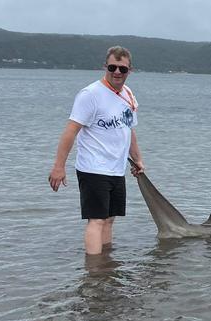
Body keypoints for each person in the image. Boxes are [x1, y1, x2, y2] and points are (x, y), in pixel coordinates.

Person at [48, 46, 144, 255]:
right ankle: (93, 272)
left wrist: (138, 160)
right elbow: (70, 132)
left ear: (130, 70)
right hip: (93, 168)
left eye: (122, 69)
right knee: (96, 220)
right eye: (113, 67)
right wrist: (58, 167)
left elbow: (129, 131)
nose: (117, 72)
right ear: (105, 67)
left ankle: (106, 266)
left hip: (116, 169)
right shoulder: (90, 94)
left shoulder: (127, 95)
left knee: (109, 220)